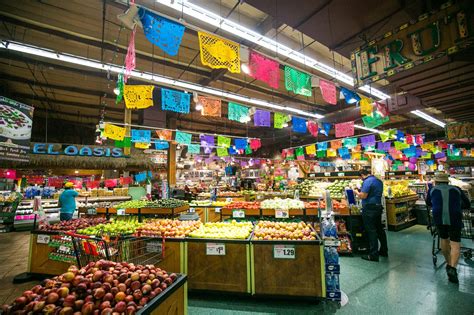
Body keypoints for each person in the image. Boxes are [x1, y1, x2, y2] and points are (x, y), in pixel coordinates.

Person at [425, 173, 470, 283]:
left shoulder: (432, 190)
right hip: (455, 217)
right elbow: (467, 204)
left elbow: (428, 203)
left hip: (439, 217)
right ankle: (453, 268)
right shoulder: (457, 189)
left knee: (444, 239)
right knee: (455, 243)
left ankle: (449, 264)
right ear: (447, 181)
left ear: (436, 181)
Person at [356, 169, 388, 262]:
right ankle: (384, 250)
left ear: (362, 175)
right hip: (378, 207)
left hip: (369, 208)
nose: (361, 179)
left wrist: (356, 192)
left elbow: (363, 196)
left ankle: (373, 255)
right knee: (379, 230)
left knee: (371, 231)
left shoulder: (367, 181)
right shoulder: (378, 181)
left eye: (360, 177)